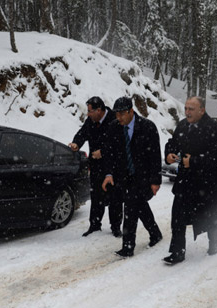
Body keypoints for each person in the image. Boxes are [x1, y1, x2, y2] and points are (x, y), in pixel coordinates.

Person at [163, 96, 217, 265]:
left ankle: (215, 242)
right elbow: (172, 143)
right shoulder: (183, 125)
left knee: (210, 216)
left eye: (191, 109)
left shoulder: (214, 128)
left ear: (202, 110)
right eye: (186, 108)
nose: (187, 112)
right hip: (185, 182)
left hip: (207, 183)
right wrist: (169, 154)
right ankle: (177, 252)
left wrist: (194, 161)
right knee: (177, 217)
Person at [101, 97, 163, 257]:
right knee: (138, 205)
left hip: (142, 176)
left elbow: (155, 155)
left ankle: (128, 246)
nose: (119, 118)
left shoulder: (148, 127)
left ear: (131, 111)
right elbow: (108, 154)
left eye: (122, 114)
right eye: (116, 114)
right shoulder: (113, 128)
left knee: (130, 208)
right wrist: (108, 174)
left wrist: (155, 180)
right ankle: (155, 233)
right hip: (123, 176)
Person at [69, 96, 123, 238]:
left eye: (90, 111)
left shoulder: (114, 119)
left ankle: (116, 227)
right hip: (96, 165)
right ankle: (94, 224)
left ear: (99, 110)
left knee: (114, 197)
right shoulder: (91, 121)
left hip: (113, 166)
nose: (88, 114)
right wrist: (76, 143)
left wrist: (103, 152)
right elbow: (82, 133)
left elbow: (119, 144)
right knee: (96, 195)